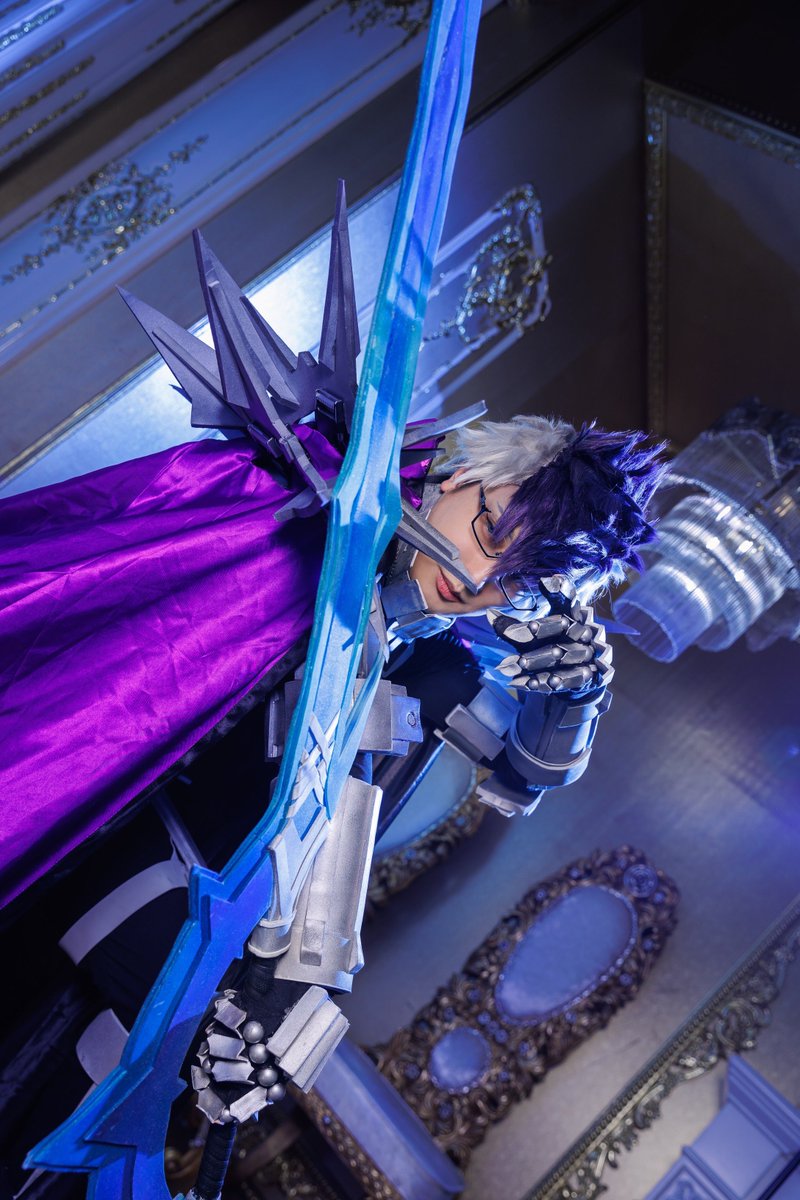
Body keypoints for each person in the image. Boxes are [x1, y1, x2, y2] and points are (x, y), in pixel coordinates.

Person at [0, 202, 664, 1196]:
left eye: (518, 583)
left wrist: (579, 691)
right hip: (121, 834)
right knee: (129, 1039)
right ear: (459, 474)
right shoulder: (307, 528)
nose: (480, 581)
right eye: (489, 533)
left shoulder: (442, 669)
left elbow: (522, 775)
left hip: (236, 916)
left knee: (113, 1097)